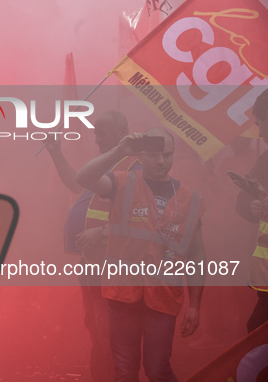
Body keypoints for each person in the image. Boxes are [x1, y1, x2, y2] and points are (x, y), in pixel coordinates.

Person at [76, 128, 205, 382]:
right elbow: (84, 177)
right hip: (122, 295)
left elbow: (197, 257)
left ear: (173, 156)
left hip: (163, 298)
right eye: (154, 154)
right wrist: (119, 151)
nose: (161, 161)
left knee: (158, 370)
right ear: (141, 156)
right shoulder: (121, 182)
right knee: (124, 371)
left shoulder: (191, 199)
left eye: (167, 154)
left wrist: (195, 306)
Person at [45, 110, 140, 382]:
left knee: (108, 332)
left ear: (122, 131)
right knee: (95, 327)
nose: (96, 139)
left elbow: (143, 219)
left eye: (102, 133)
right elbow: (75, 184)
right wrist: (55, 152)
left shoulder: (135, 166)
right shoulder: (103, 165)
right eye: (95, 133)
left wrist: (104, 232)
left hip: (113, 264)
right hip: (91, 262)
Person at [232, 89, 268, 333]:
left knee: (255, 335)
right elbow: (241, 202)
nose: (260, 132)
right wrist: (252, 206)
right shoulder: (265, 161)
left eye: (260, 124)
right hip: (265, 278)